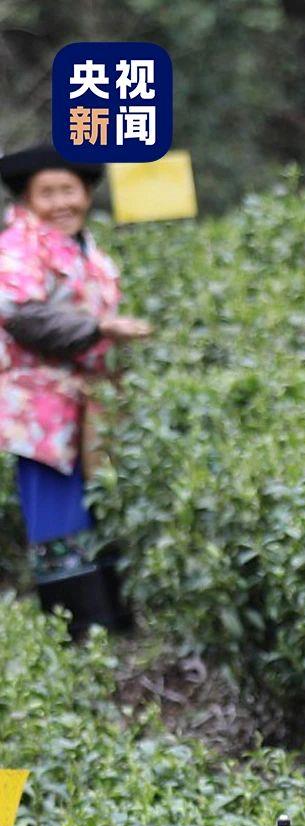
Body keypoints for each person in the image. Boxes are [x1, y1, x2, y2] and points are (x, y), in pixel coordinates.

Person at [0, 143, 153, 633]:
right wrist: (100, 329)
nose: (61, 202)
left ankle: (115, 624)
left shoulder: (89, 249)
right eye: (47, 193)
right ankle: (78, 632)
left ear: (87, 194)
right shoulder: (16, 249)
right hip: (40, 407)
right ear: (27, 200)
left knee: (99, 508)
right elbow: (24, 316)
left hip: (92, 404)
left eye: (69, 190)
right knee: (59, 517)